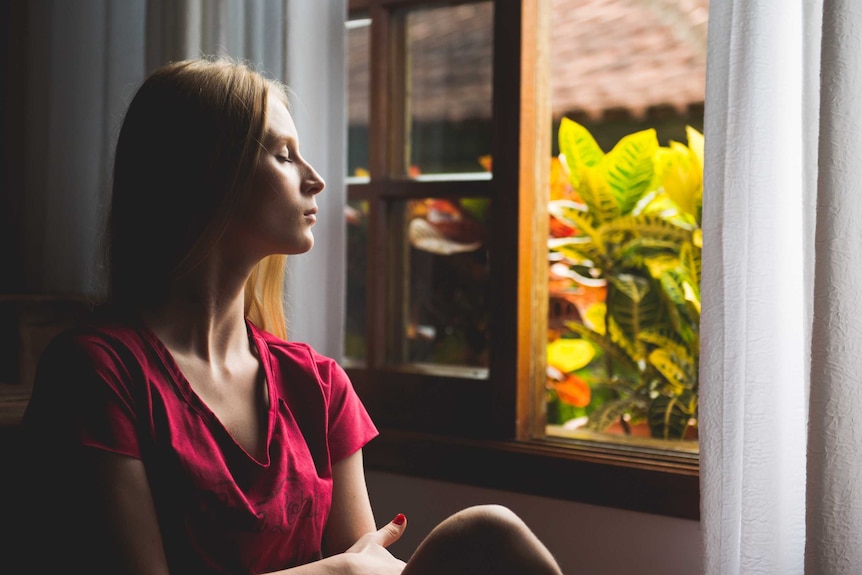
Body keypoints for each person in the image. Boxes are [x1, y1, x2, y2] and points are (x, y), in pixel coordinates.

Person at [14, 57, 565, 575]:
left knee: (489, 532)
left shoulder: (317, 385)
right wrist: (339, 569)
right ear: (208, 174)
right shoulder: (97, 373)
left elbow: (365, 563)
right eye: (283, 155)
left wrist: (357, 566)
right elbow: (352, 564)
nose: (316, 179)